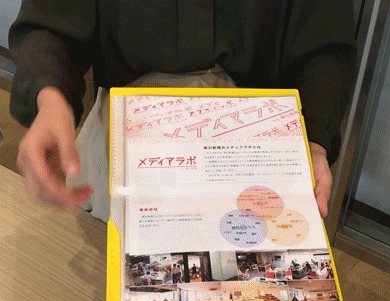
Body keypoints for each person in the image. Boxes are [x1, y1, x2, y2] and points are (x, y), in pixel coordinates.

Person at [8, 1, 357, 222]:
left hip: (256, 137)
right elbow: (51, 20)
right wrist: (49, 95)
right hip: (124, 130)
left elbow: (324, 39)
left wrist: (315, 139)